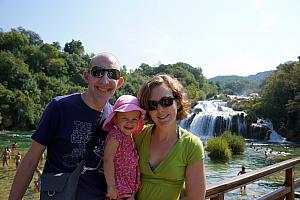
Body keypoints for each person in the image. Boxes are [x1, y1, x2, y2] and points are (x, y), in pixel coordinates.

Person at [9, 53, 124, 200]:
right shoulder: (60, 107)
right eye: (98, 72)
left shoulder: (115, 117)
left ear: (119, 82)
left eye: (112, 74)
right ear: (86, 76)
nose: (105, 80)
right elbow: (31, 159)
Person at [134, 74, 206, 200]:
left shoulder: (192, 145)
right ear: (147, 110)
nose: (160, 109)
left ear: (177, 103)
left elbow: (195, 197)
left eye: (166, 101)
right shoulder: (137, 136)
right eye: (152, 105)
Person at [103, 95, 145, 200]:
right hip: (118, 190)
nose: (129, 122)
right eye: (124, 118)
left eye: (134, 119)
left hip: (128, 189)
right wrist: (111, 187)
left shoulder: (129, 136)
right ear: (116, 119)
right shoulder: (116, 136)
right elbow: (108, 160)